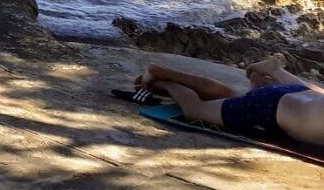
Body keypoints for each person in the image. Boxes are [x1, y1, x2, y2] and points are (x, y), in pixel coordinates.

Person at [139, 56, 324, 146]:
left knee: (234, 97)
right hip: (271, 106)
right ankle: (164, 81)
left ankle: (275, 72)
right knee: (195, 110)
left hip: (296, 92)